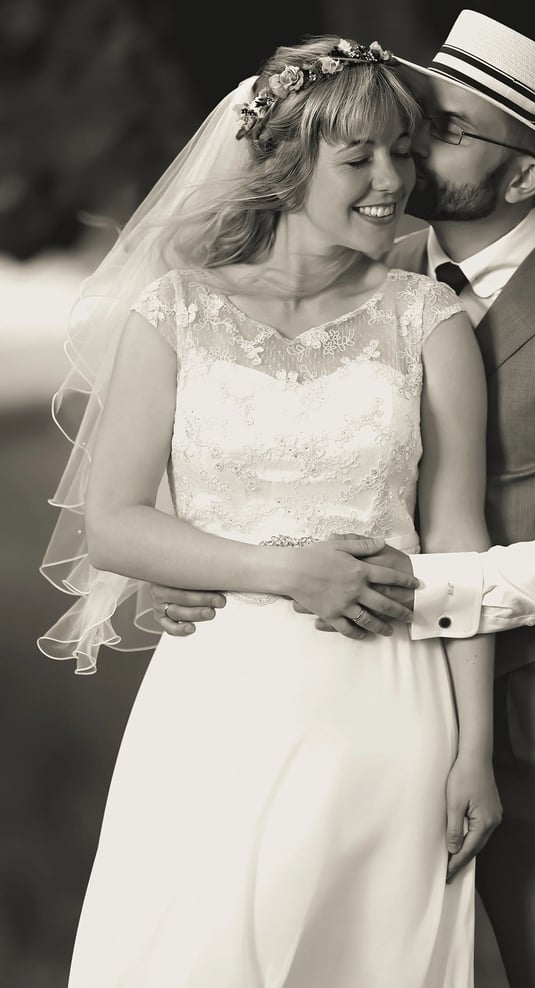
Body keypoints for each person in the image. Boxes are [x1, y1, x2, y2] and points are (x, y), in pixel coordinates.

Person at [154, 10, 535, 987]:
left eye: (444, 132)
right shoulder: (369, 276)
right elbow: (263, 437)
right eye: (412, 124)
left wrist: (418, 587)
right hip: (350, 693)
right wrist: (194, 569)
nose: (408, 151)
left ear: (523, 177)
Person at [38, 34, 502, 986]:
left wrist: (474, 755)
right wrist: (286, 569)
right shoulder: (175, 313)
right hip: (214, 703)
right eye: (360, 157)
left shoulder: (431, 321)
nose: (392, 181)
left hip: (388, 708)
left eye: (405, 153)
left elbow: (460, 544)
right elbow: (115, 523)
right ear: (290, 164)